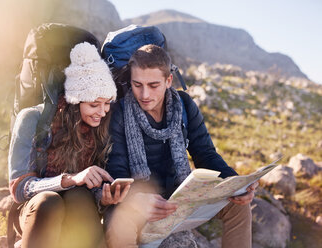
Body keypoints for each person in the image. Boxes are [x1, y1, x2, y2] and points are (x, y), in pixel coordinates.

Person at [103, 44, 258, 248]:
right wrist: (137, 199)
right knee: (119, 224)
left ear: (168, 81)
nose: (144, 94)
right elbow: (117, 170)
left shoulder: (184, 105)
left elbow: (206, 154)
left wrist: (236, 182)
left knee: (238, 207)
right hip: (139, 203)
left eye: (153, 85)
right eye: (137, 84)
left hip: (178, 199)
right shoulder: (119, 113)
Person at [8, 42, 129, 248]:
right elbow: (19, 188)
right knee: (50, 201)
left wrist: (104, 198)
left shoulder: (100, 128)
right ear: (75, 100)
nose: (102, 112)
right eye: (94, 104)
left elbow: (92, 190)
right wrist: (70, 180)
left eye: (107, 103)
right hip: (37, 210)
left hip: (76, 209)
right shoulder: (33, 119)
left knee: (81, 196)